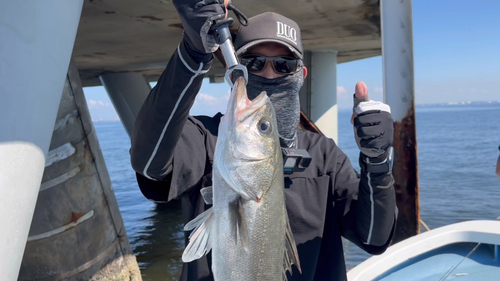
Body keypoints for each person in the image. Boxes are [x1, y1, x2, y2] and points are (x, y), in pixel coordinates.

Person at [130, 1, 397, 280]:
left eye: (284, 64)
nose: (269, 74)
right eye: (254, 63)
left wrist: (376, 163)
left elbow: (374, 239)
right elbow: (149, 163)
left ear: (300, 75)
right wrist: (192, 53)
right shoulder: (206, 138)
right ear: (235, 72)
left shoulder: (324, 155)